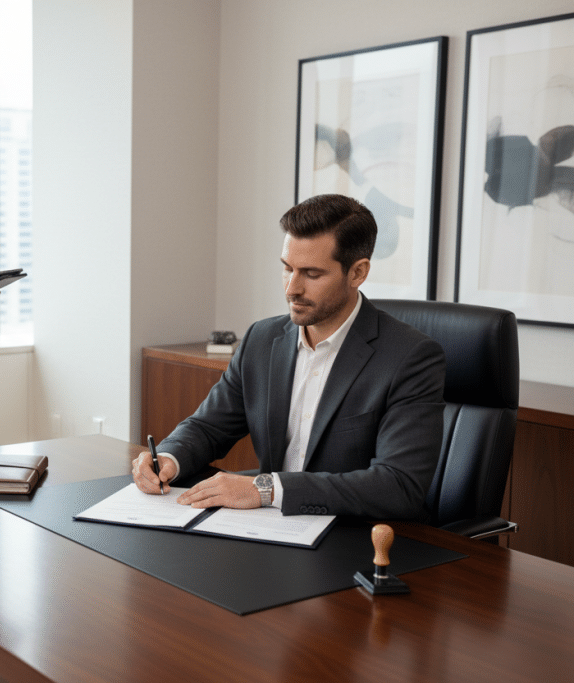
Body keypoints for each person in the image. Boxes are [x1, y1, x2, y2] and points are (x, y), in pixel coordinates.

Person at [132, 193, 446, 520]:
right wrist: (168, 457)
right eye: (287, 268)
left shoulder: (410, 358)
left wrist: (266, 489)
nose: (291, 288)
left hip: (355, 534)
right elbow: (209, 427)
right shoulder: (262, 339)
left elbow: (398, 485)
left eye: (311, 274)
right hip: (270, 527)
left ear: (357, 273)